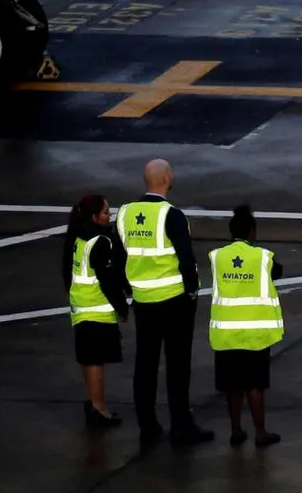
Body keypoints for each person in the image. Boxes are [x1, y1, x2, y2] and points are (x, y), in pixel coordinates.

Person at [118, 159, 214, 447]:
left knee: (145, 365)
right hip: (174, 303)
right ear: (166, 178)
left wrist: (131, 291)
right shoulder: (171, 215)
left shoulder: (125, 213)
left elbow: (120, 258)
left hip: (144, 302)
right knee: (177, 365)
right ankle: (181, 425)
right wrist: (192, 291)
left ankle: (147, 425)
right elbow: (186, 259)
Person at [208, 204, 284, 448]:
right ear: (252, 231)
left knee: (233, 386)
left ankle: (236, 430)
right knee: (255, 385)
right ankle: (260, 432)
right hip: (255, 334)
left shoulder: (217, 256)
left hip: (226, 334)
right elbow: (278, 271)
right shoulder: (262, 257)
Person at [65, 194, 130, 429]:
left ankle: (93, 401)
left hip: (81, 307)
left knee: (88, 359)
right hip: (96, 309)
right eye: (105, 212)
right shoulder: (101, 241)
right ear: (94, 216)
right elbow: (108, 280)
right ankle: (100, 408)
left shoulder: (79, 236)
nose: (109, 215)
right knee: (95, 361)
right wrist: (122, 307)